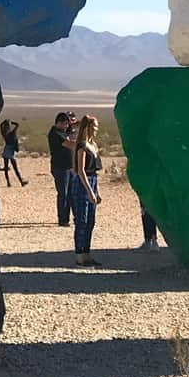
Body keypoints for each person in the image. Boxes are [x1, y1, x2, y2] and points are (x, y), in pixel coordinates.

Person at [71, 114, 103, 267]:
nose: (96, 130)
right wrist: (89, 191)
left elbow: (95, 171)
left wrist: (97, 191)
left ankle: (87, 253)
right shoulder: (82, 146)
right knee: (81, 221)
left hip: (93, 181)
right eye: (94, 127)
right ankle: (79, 254)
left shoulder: (94, 145)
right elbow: (81, 170)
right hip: (83, 183)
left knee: (91, 220)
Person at [47, 112, 75, 226]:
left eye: (67, 124)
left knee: (71, 194)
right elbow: (69, 144)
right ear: (58, 123)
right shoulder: (55, 134)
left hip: (70, 167)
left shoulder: (64, 132)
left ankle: (68, 217)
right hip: (60, 167)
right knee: (63, 193)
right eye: (64, 124)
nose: (66, 126)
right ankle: (62, 219)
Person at [0, 120, 28, 187]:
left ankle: (8, 182)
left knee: (6, 167)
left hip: (6, 150)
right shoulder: (11, 133)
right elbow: (17, 125)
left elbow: (0, 126)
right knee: (15, 168)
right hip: (11, 151)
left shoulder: (4, 134)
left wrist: (4, 123)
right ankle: (21, 181)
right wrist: (12, 122)